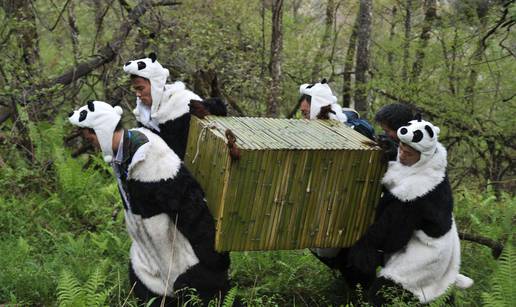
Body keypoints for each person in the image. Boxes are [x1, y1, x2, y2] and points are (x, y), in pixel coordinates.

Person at [68, 100, 230, 306]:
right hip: (149, 259)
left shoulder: (154, 161)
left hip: (181, 259)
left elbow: (192, 208)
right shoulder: (122, 155)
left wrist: (213, 258)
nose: (91, 142)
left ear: (101, 130)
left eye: (91, 137)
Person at [346, 115, 473, 306]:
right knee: (431, 291)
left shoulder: (417, 191)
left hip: (428, 250)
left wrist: (367, 246)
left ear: (423, 155)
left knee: (384, 293)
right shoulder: (433, 158)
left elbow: (393, 237)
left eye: (409, 153)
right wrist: (391, 153)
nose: (402, 155)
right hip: (438, 233)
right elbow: (403, 172)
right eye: (401, 149)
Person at [123, 52, 226, 160]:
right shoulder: (142, 114)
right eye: (135, 89)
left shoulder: (182, 101)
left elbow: (220, 110)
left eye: (140, 88)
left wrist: (207, 108)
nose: (138, 94)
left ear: (155, 84)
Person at [299, 79, 375, 140]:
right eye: (302, 113)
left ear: (317, 109)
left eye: (305, 113)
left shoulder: (347, 131)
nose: (304, 119)